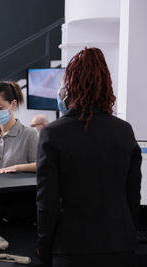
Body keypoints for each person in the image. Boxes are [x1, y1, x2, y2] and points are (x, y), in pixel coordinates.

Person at [36, 47, 142, 267]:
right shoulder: (125, 131)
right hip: (121, 248)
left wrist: (44, 249)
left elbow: (48, 203)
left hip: (72, 250)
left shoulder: (53, 133)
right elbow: (132, 196)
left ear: (70, 88)